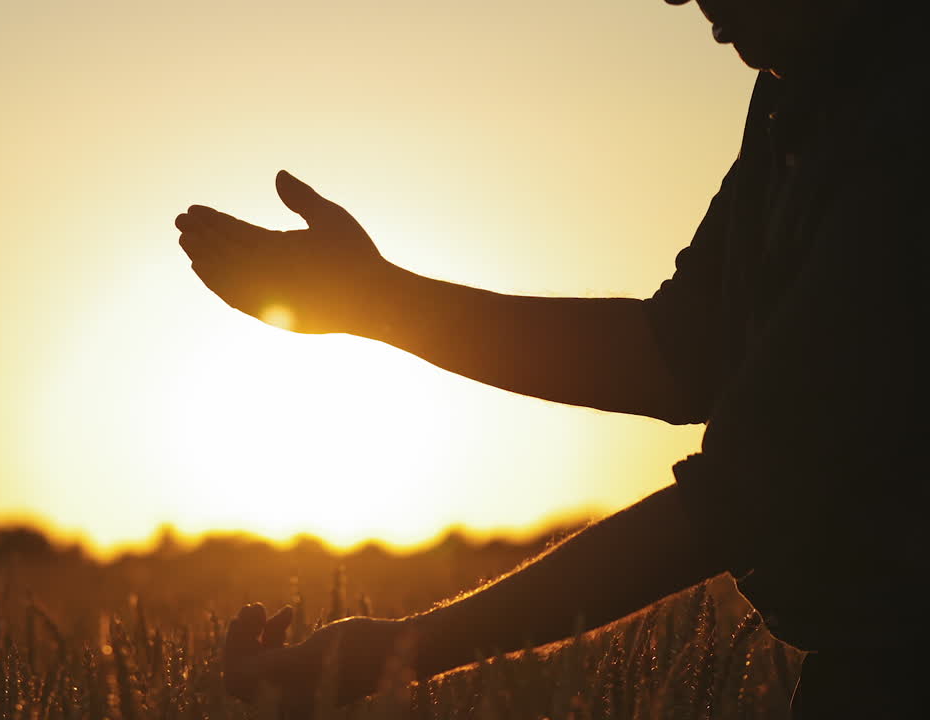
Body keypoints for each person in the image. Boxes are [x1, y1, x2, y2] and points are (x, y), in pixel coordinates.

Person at [174, 0, 926, 716]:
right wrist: (376, 302)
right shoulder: (795, 89)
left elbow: (750, 490)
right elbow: (681, 353)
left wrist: (401, 651)